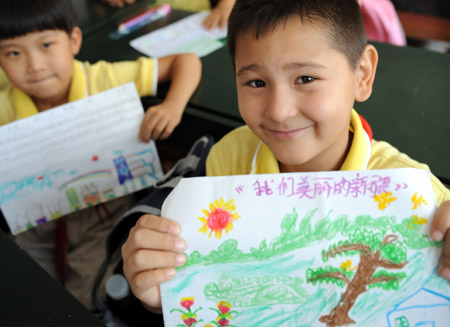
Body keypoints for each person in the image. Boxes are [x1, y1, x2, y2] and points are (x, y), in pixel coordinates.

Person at [121, 0, 450, 314]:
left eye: (305, 78)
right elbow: (207, 291)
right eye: (256, 82)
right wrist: (164, 294)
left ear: (362, 74)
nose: (278, 111)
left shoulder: (418, 198)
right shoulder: (227, 162)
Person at [0, 0, 201, 310]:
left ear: (74, 41)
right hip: (34, 220)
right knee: (31, 293)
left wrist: (171, 105)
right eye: (13, 53)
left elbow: (186, 61)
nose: (34, 65)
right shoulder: (5, 101)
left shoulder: (100, 79)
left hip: (100, 212)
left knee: (85, 297)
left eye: (46, 45)